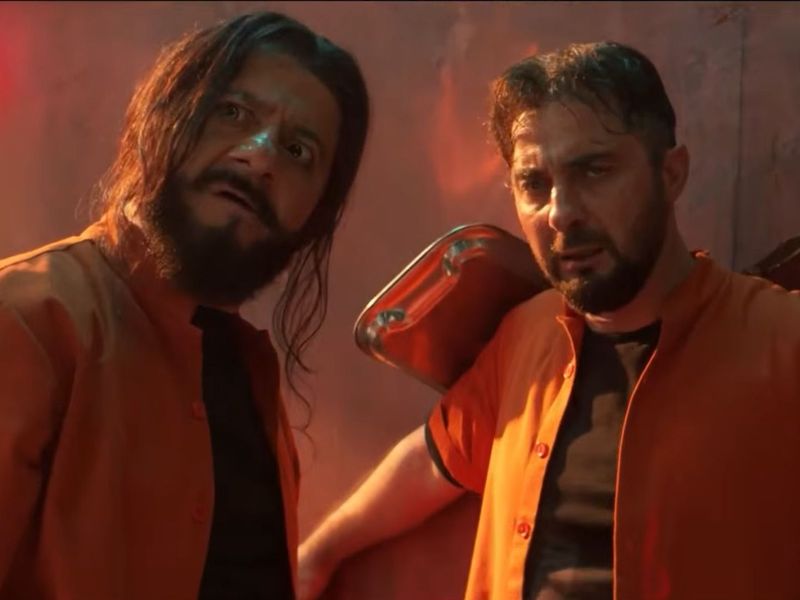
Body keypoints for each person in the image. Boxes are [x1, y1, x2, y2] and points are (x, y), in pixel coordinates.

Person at [298, 41, 800, 600]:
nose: (561, 212)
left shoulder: (783, 338)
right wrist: (318, 555)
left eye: (595, 170)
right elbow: (433, 459)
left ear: (671, 173)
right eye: (534, 184)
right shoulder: (527, 333)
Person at [0, 11, 368, 599]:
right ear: (163, 119)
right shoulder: (27, 321)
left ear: (314, 215)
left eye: (299, 151)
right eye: (233, 113)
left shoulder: (249, 373)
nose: (260, 157)